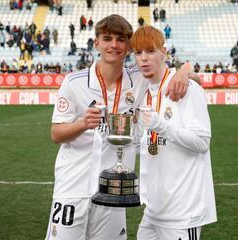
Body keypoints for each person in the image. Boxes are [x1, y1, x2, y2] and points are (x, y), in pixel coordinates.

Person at [45, 14, 193, 240]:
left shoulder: (140, 77)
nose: (114, 45)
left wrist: (184, 71)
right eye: (107, 38)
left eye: (121, 39)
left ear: (128, 46)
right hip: (72, 188)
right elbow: (56, 134)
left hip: (114, 190)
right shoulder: (74, 82)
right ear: (96, 43)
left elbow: (180, 74)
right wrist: (83, 123)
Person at [130, 25, 216, 240]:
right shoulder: (144, 90)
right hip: (153, 210)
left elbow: (202, 142)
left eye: (150, 51)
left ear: (164, 52)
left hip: (182, 212)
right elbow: (152, 146)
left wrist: (162, 126)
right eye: (138, 53)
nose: (144, 58)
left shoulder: (186, 89)